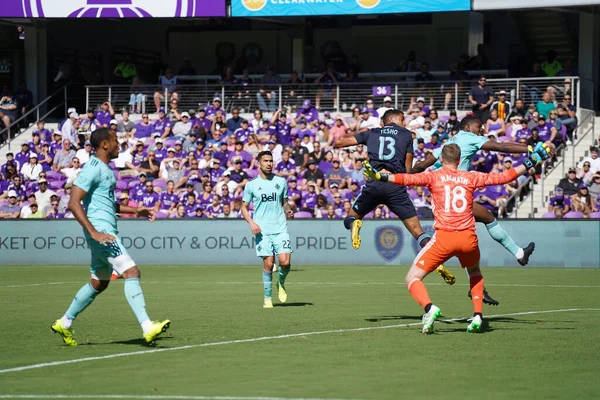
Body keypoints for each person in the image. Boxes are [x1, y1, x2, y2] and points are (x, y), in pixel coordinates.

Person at [363, 143, 548, 333]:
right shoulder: (470, 176)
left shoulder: (434, 176)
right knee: (475, 272)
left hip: (444, 238)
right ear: (459, 161)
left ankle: (429, 308)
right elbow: (504, 177)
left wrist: (381, 176)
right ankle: (477, 316)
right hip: (468, 237)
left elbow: (406, 179)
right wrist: (530, 161)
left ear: (441, 159)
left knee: (412, 278)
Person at [50, 128, 170, 347]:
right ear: (105, 144)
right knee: (131, 271)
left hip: (103, 231)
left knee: (99, 282)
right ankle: (147, 326)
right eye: (115, 141)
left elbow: (106, 203)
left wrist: (137, 210)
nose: (118, 144)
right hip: (102, 232)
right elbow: (73, 202)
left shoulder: (105, 170)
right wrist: (94, 232)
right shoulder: (92, 168)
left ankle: (64, 322)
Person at [412, 116, 540, 304]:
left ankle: (484, 283)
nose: (481, 130)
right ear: (468, 126)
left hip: (442, 197)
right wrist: (529, 149)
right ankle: (518, 254)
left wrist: (405, 177)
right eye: (479, 126)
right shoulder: (469, 137)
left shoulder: (449, 144)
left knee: (474, 230)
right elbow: (502, 147)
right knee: (486, 220)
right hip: (457, 194)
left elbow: (422, 165)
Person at [334, 109, 456, 286]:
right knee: (418, 232)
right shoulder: (406, 134)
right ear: (393, 119)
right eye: (403, 119)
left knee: (350, 217)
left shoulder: (372, 132)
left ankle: (355, 224)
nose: (405, 122)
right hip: (395, 184)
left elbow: (338, 142)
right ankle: (436, 262)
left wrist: (361, 133)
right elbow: (407, 167)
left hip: (374, 183)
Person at [240, 150, 294, 309]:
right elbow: (243, 207)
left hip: (280, 228)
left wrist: (288, 210)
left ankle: (281, 283)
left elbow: (285, 202)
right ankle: (267, 298)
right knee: (269, 264)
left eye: (271, 161)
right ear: (259, 163)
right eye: (266, 161)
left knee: (285, 262)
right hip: (262, 231)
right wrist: (251, 222)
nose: (269, 164)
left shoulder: (281, 181)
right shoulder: (251, 185)